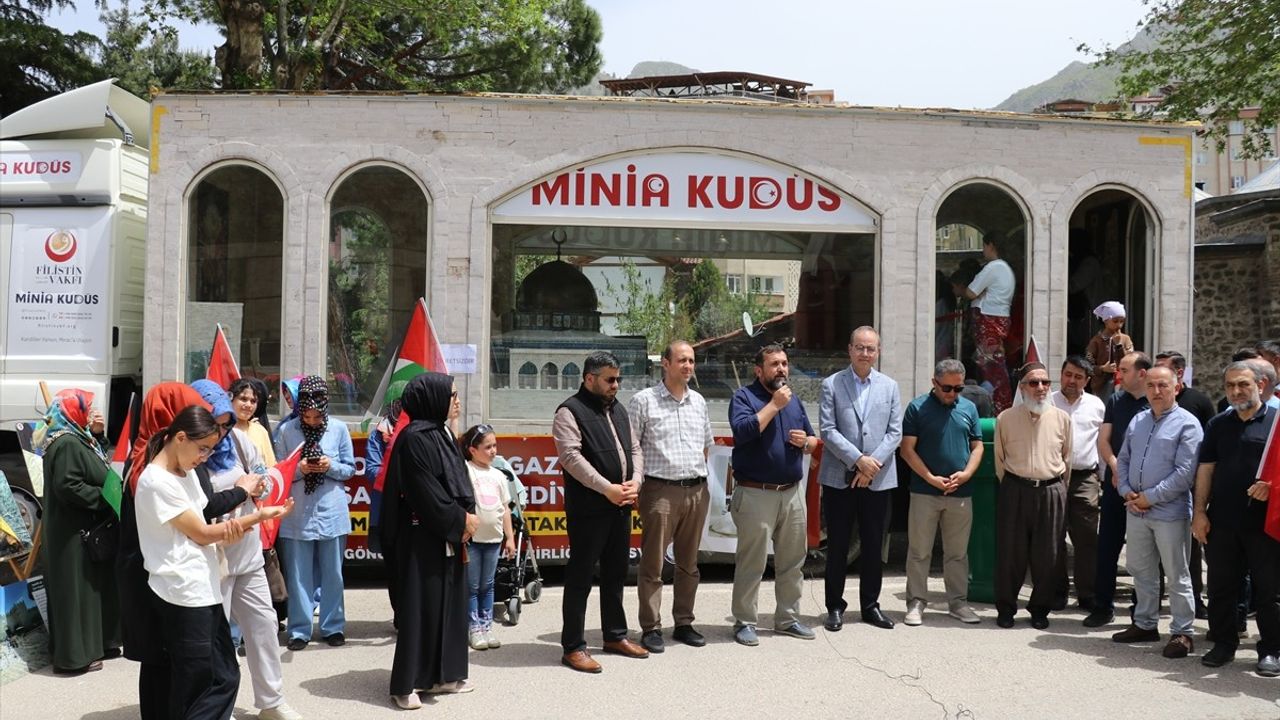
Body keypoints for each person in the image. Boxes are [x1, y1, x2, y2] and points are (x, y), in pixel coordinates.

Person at [136, 405, 292, 720]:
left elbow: (204, 520)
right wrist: (257, 516)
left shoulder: (188, 472)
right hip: (181, 591)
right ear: (180, 437)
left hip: (203, 586)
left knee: (222, 676)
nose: (205, 457)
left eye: (211, 449)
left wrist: (236, 526)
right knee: (202, 685)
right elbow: (202, 532)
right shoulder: (156, 481)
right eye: (202, 448)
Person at [191, 380, 303, 720]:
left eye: (225, 423)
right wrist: (241, 489)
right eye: (216, 423)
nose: (222, 432)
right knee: (216, 639)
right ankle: (214, 708)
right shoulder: (192, 453)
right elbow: (202, 506)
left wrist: (263, 484)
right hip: (214, 558)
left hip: (249, 553)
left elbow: (261, 477)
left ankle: (271, 701)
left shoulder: (239, 442)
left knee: (264, 625)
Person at [119, 382, 221, 720]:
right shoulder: (155, 471)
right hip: (157, 578)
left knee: (160, 663)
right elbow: (198, 521)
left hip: (146, 573)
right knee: (170, 666)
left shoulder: (141, 457)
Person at [380, 373, 478, 709]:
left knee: (449, 605)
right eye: (452, 395)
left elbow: (458, 480)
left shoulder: (442, 434)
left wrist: (467, 516)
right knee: (420, 608)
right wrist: (461, 519)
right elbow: (425, 492)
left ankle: (444, 675)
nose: (457, 401)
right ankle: (406, 683)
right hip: (422, 536)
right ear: (433, 399)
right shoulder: (414, 438)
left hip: (448, 534)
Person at [553, 351, 648, 672]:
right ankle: (573, 647)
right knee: (580, 576)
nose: (616, 385)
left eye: (618, 379)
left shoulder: (618, 409)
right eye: (610, 380)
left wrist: (635, 481)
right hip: (589, 510)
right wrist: (606, 488)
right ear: (589, 379)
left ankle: (614, 635)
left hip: (620, 506)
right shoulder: (569, 411)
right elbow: (570, 458)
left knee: (615, 573)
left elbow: (634, 448)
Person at [1110, 365, 1203, 659]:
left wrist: (1150, 497)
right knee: (1141, 569)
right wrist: (1126, 490)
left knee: (1177, 574)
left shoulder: (1188, 424)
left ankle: (1182, 632)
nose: (1157, 391)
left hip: (1170, 512)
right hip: (1135, 509)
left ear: (1176, 387)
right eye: (1151, 386)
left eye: (1163, 385)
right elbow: (1123, 459)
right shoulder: (1138, 420)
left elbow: (1185, 473)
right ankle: (1145, 623)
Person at [728, 344, 818, 646]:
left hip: (791, 493)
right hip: (756, 494)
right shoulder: (744, 397)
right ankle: (744, 622)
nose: (781, 369)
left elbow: (812, 439)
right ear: (759, 370)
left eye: (784, 364)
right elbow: (742, 432)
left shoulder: (793, 401)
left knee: (793, 561)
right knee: (752, 562)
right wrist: (774, 405)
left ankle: (788, 618)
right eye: (774, 364)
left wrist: (807, 441)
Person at [1195, 361, 1280, 675]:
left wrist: (1273, 486)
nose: (1235, 391)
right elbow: (1206, 469)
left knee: (1270, 592)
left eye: (1243, 384)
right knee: (1221, 588)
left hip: (1265, 525)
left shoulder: (1277, 422)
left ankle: (1271, 650)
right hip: (1223, 523)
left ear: (1260, 385)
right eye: (1230, 385)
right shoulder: (1218, 424)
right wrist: (1199, 512)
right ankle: (1224, 643)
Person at [629, 340, 714, 654]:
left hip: (695, 490)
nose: (688, 366)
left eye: (691, 360)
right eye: (682, 360)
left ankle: (684, 622)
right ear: (665, 363)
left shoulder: (699, 402)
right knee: (653, 563)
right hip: (660, 491)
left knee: (689, 563)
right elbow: (632, 448)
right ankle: (651, 627)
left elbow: (705, 446)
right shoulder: (644, 401)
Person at [818, 327, 902, 631]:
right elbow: (828, 430)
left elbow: (895, 432)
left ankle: (870, 606)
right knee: (838, 544)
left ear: (878, 351)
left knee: (872, 544)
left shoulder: (890, 386)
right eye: (860, 348)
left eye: (871, 348)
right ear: (849, 350)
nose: (865, 353)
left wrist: (872, 466)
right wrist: (859, 461)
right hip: (840, 477)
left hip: (877, 480)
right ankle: (834, 607)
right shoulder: (831, 384)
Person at [37, 389, 121, 675]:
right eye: (88, 408)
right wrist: (104, 497)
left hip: (86, 529)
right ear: (73, 411)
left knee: (92, 590)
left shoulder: (80, 438)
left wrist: (98, 434)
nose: (93, 412)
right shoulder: (67, 443)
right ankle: (75, 657)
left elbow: (97, 462)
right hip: (71, 532)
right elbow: (69, 486)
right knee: (75, 593)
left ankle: (100, 644)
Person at [273, 375, 356, 651]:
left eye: (316, 415)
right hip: (296, 514)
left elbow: (349, 469)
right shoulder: (286, 431)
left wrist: (329, 466)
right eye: (306, 415)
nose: (311, 420)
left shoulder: (339, 429)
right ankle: (299, 630)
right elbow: (279, 473)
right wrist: (301, 470)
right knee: (298, 575)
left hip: (331, 512)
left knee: (333, 573)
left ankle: (333, 626)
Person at [899, 359, 983, 626]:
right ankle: (916, 602)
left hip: (961, 492)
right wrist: (931, 478)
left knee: (958, 553)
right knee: (919, 551)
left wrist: (967, 473)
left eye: (958, 388)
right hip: (925, 491)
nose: (953, 394)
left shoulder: (969, 408)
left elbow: (977, 446)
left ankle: (958, 603)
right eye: (947, 388)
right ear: (934, 383)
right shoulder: (917, 408)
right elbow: (907, 450)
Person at [993, 363, 1072, 629]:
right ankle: (1006, 609)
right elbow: (999, 462)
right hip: (1015, 490)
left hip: (1051, 491)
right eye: (1033, 383)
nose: (1040, 388)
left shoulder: (1062, 419)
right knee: (1010, 554)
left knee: (1047, 555)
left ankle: (1040, 609)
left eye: (1045, 383)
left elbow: (1067, 460)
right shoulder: (1005, 418)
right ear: (1022, 387)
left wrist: (1057, 490)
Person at [1083, 351, 1152, 628]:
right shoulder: (1115, 399)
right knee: (1108, 546)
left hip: (1147, 491)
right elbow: (1104, 441)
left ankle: (1142, 611)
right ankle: (1103, 606)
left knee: (1145, 552)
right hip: (1116, 486)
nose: (1118, 374)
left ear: (1142, 373)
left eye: (1124, 369)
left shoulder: (1155, 401)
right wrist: (1116, 470)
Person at [1155, 350, 1215, 618]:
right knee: (1152, 547)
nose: (1156, 381)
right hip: (1154, 490)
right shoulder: (1152, 403)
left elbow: (1208, 448)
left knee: (1189, 549)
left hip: (1187, 488)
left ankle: (1195, 602)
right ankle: (1151, 601)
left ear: (1178, 374)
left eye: (1163, 370)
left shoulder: (1199, 402)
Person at [1050, 356, 1106, 610]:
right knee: (1053, 536)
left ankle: (1087, 593)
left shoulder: (1096, 405)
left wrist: (1103, 478)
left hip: (1085, 477)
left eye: (1078, 377)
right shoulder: (1046, 401)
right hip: (1052, 478)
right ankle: (1057, 592)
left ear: (1088, 379)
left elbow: (1102, 443)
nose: (1072, 381)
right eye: (1068, 374)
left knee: (1086, 538)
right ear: (1061, 374)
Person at [460, 424, 515, 651]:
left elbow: (505, 509)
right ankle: (474, 627)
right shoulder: (466, 469)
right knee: (472, 586)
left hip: (493, 540)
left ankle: (486, 625)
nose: (493, 451)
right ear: (472, 450)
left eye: (495, 446)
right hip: (472, 540)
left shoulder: (499, 476)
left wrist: (510, 538)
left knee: (488, 585)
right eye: (487, 446)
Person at [954, 236, 1016, 411]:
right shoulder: (1006, 269)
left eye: (984, 246)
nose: (983, 250)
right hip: (999, 318)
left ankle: (997, 405)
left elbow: (971, 292)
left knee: (991, 367)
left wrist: (976, 293)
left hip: (988, 319)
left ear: (991, 245)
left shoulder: (994, 267)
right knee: (993, 363)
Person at [1084, 301, 1134, 397]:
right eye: (1115, 321)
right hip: (1102, 386)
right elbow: (1087, 366)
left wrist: (1119, 345)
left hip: (1123, 383)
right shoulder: (1096, 341)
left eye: (1122, 321)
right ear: (1106, 321)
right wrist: (1103, 368)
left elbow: (1131, 360)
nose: (1119, 325)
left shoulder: (1125, 339)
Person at [229, 378, 277, 466]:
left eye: (253, 401)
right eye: (243, 399)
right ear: (231, 399)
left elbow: (271, 467)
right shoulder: (221, 430)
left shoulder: (260, 431)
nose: (248, 405)